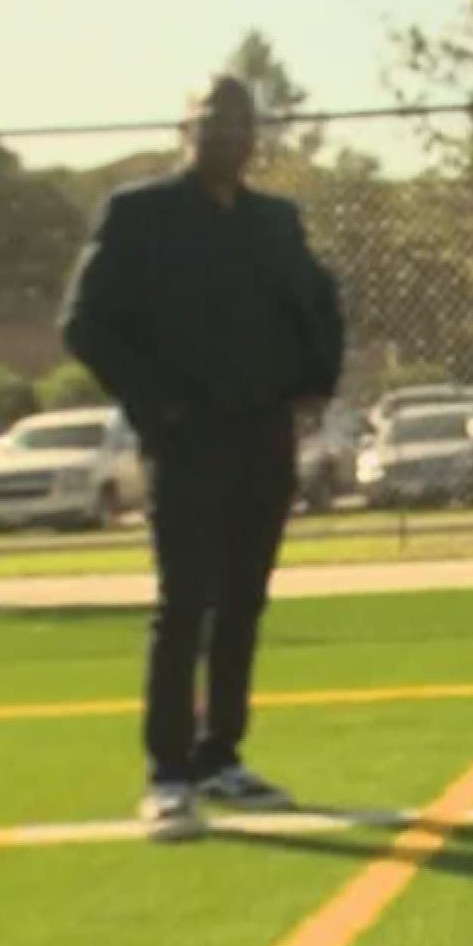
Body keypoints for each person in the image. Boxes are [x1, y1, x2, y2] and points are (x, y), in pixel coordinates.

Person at [59, 74, 344, 840]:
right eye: (211, 122)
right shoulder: (139, 215)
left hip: (262, 440)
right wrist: (160, 407)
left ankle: (222, 755)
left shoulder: (275, 223)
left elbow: (320, 306)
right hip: (185, 443)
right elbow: (86, 325)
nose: (228, 135)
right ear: (185, 129)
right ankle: (170, 772)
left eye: (241, 123)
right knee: (184, 602)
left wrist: (311, 388)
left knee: (244, 601)